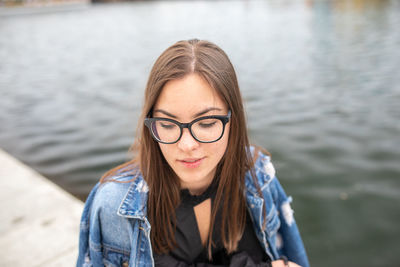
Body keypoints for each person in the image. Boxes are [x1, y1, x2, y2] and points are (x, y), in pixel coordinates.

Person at [77, 39, 309, 267]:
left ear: (233, 121)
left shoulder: (259, 175)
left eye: (206, 123)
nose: (187, 145)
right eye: (167, 124)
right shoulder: (113, 205)